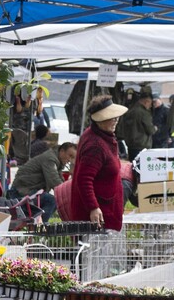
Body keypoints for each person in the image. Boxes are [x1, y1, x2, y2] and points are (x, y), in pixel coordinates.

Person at [72, 96, 128, 231]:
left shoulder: (102, 136)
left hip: (106, 209)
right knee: (96, 251)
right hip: (98, 216)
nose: (115, 120)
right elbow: (84, 179)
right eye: (111, 117)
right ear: (100, 120)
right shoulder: (95, 145)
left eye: (116, 117)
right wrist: (93, 207)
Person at [9, 140, 76, 224]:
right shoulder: (50, 159)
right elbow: (55, 183)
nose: (70, 160)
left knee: (52, 200)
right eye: (70, 155)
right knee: (52, 200)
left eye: (73, 157)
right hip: (20, 193)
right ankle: (40, 229)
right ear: (62, 151)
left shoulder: (56, 161)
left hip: (26, 191)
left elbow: (60, 182)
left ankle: (36, 225)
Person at [121, 87, 156, 162]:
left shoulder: (131, 109)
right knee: (140, 169)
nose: (150, 106)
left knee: (132, 166)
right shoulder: (144, 113)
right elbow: (150, 130)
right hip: (141, 145)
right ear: (146, 102)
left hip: (131, 144)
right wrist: (155, 128)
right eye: (150, 103)